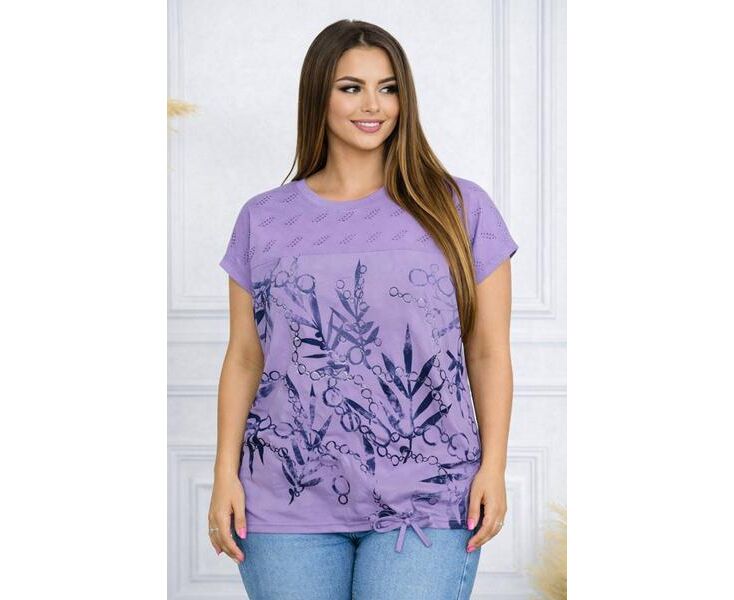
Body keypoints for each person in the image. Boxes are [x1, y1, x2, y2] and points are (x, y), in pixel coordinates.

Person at [209, 19, 518, 600]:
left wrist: (494, 467)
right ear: (318, 96)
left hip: (429, 497)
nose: (373, 105)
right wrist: (225, 472)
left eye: (389, 87)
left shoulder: (460, 208)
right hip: (284, 497)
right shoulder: (264, 218)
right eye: (351, 88)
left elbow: (487, 351)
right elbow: (246, 356)